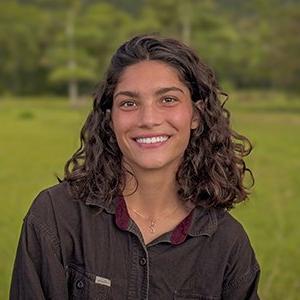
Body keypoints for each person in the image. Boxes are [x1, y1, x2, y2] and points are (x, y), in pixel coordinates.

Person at [10, 34, 260, 299]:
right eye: (129, 103)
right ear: (110, 120)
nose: (148, 119)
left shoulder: (228, 244)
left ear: (195, 115)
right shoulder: (56, 217)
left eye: (168, 99)